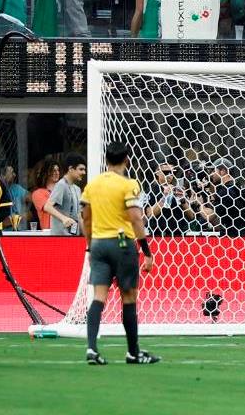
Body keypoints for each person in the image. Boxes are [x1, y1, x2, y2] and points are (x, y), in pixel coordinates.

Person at [80, 142, 159, 365]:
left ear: (106, 160)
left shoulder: (92, 186)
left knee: (98, 297)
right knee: (128, 297)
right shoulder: (129, 185)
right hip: (122, 244)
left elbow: (85, 217)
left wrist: (89, 244)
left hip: (98, 244)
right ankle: (133, 352)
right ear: (127, 160)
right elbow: (135, 218)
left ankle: (91, 349)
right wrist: (147, 251)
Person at [46, 153, 86, 235]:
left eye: (84, 170)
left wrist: (87, 237)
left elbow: (79, 216)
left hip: (73, 237)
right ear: (71, 168)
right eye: (81, 169)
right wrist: (63, 218)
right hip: (61, 239)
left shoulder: (77, 189)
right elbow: (47, 207)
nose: (84, 172)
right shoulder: (61, 185)